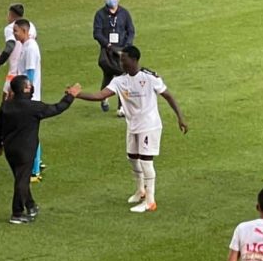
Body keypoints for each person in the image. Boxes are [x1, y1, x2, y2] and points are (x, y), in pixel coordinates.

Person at [75, 45, 187, 213]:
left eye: (123, 59)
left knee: (145, 161)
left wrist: (180, 117)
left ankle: (150, 201)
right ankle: (140, 190)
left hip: (149, 125)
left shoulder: (149, 77)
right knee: (132, 157)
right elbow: (100, 95)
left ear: (134, 60)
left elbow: (168, 95)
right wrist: (77, 94)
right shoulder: (120, 80)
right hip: (132, 125)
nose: (120, 62)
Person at [0, 75, 81, 224]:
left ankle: (31, 205)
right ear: (25, 88)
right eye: (29, 85)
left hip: (10, 149)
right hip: (25, 150)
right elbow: (57, 108)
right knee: (22, 180)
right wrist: (71, 96)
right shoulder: (34, 107)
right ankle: (17, 213)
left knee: (20, 178)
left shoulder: (6, 105)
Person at [92, 0, 135, 116]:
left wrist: (127, 46)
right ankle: (104, 96)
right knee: (108, 75)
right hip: (107, 51)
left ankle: (121, 106)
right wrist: (108, 45)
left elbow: (131, 31)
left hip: (122, 51)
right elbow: (97, 33)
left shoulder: (124, 14)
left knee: (123, 76)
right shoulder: (100, 14)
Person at [12, 19, 44, 182]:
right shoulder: (25, 45)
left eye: (16, 30)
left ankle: (35, 170)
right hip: (28, 98)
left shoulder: (30, 47)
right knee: (31, 134)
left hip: (30, 99)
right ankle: (37, 164)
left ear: (25, 31)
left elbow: (30, 74)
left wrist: (25, 95)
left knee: (31, 135)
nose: (14, 33)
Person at [0, 3, 38, 102]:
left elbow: (10, 47)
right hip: (27, 69)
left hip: (15, 70)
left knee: (6, 101)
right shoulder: (31, 25)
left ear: (11, 15)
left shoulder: (10, 28)